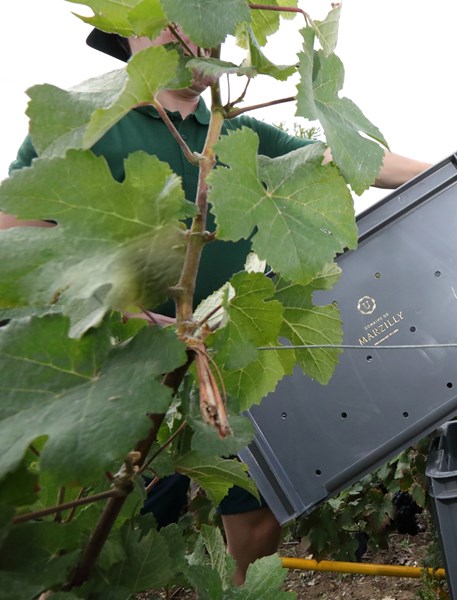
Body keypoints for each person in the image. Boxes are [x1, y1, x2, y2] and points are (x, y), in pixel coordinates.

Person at [3, 25, 430, 585]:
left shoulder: (235, 134)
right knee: (98, 538)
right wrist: (120, 316)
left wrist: (452, 174)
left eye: (209, 27)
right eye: (171, 22)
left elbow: (344, 157)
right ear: (128, 36)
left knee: (256, 517)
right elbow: (17, 256)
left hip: (227, 376)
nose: (197, 41)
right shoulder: (81, 125)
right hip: (111, 375)